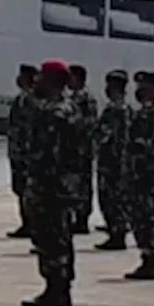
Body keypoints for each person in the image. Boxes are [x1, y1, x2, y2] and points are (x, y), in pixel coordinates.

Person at [22, 58, 83, 306]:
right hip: (64, 185)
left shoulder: (54, 113)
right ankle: (60, 287)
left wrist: (37, 184)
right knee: (60, 236)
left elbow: (48, 155)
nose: (36, 81)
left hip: (50, 186)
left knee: (51, 236)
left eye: (41, 77)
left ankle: (55, 289)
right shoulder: (70, 109)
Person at [124, 71, 154, 280]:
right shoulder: (143, 112)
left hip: (148, 174)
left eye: (145, 86)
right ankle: (148, 256)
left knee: (148, 216)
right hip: (139, 173)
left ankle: (152, 259)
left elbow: (151, 146)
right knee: (141, 215)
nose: (139, 90)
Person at [94, 70, 130, 251]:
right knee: (111, 198)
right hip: (112, 161)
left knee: (112, 198)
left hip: (113, 162)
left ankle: (117, 233)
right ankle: (116, 231)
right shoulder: (123, 109)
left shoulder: (116, 111)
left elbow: (105, 136)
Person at [6, 65, 38, 239]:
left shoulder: (32, 100)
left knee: (27, 191)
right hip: (18, 153)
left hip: (26, 154)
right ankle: (26, 223)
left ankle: (32, 224)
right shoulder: (21, 98)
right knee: (20, 189)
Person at [66, 65, 99, 234]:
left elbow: (90, 123)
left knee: (83, 186)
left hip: (82, 150)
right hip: (72, 150)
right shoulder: (70, 97)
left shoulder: (87, 98)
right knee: (72, 185)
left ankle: (82, 219)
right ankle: (75, 216)